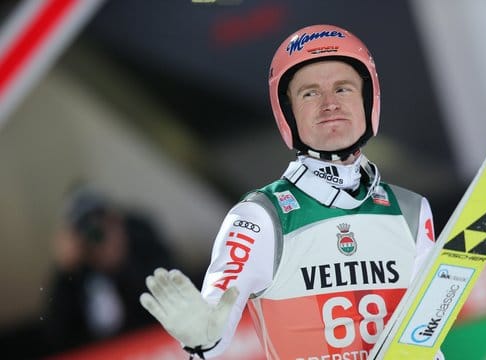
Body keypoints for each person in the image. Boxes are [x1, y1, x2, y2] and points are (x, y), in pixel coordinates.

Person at [140, 24, 444, 359]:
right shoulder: (259, 218)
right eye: (310, 93)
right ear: (288, 114)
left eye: (343, 89)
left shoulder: (412, 211)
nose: (329, 103)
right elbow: (214, 320)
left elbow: (425, 338)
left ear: (368, 100)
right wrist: (204, 338)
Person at [43, 185, 175, 353]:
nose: (96, 235)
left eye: (103, 224)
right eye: (86, 229)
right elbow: (57, 336)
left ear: (117, 222)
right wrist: (64, 274)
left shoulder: (143, 244)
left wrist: (121, 264)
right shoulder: (75, 274)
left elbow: (170, 297)